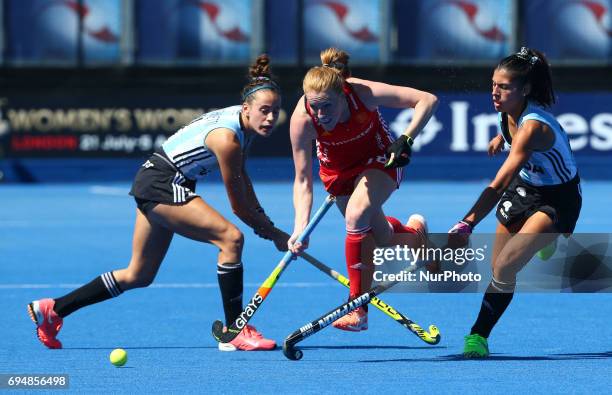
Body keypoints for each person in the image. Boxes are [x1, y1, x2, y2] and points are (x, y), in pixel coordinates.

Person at [27, 54, 288, 352]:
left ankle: (53, 309)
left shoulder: (243, 124)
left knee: (138, 274)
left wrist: (269, 226)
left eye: (276, 112)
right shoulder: (227, 139)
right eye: (264, 111)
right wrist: (274, 232)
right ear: (246, 109)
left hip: (155, 179)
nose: (270, 118)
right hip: (165, 182)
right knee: (231, 239)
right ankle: (234, 330)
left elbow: (243, 178)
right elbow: (238, 204)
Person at [287, 48, 438, 331]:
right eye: (314, 106)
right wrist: (300, 228)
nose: (320, 115)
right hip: (337, 172)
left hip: (381, 158)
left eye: (327, 106)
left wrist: (406, 139)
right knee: (380, 238)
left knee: (356, 216)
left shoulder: (363, 93)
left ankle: (357, 308)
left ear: (342, 95)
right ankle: (417, 237)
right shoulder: (302, 119)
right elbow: (303, 180)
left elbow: (427, 100)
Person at [448, 47, 581, 358]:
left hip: (558, 197)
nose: (495, 92)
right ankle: (540, 240)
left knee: (508, 264)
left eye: (504, 87)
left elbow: (498, 184)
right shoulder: (506, 111)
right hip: (527, 188)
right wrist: (500, 139)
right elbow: (511, 138)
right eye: (494, 84)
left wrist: (467, 222)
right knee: (500, 270)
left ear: (525, 89)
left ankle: (477, 336)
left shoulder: (533, 126)